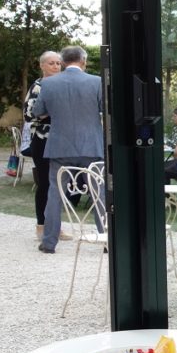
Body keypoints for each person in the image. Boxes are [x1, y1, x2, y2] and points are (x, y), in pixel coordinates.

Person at [32, 46, 105, 255]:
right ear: (84, 61)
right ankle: (106, 239)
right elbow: (104, 108)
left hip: (60, 146)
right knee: (98, 193)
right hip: (91, 145)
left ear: (62, 62)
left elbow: (38, 111)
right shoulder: (97, 82)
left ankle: (49, 243)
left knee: (55, 193)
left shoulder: (48, 83)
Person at [23, 51, 64, 241]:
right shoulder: (38, 87)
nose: (56, 66)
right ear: (42, 66)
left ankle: (56, 226)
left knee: (60, 184)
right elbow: (28, 114)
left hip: (63, 139)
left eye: (58, 63)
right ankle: (41, 225)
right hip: (42, 139)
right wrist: (53, 111)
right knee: (46, 183)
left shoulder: (63, 85)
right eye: (51, 63)